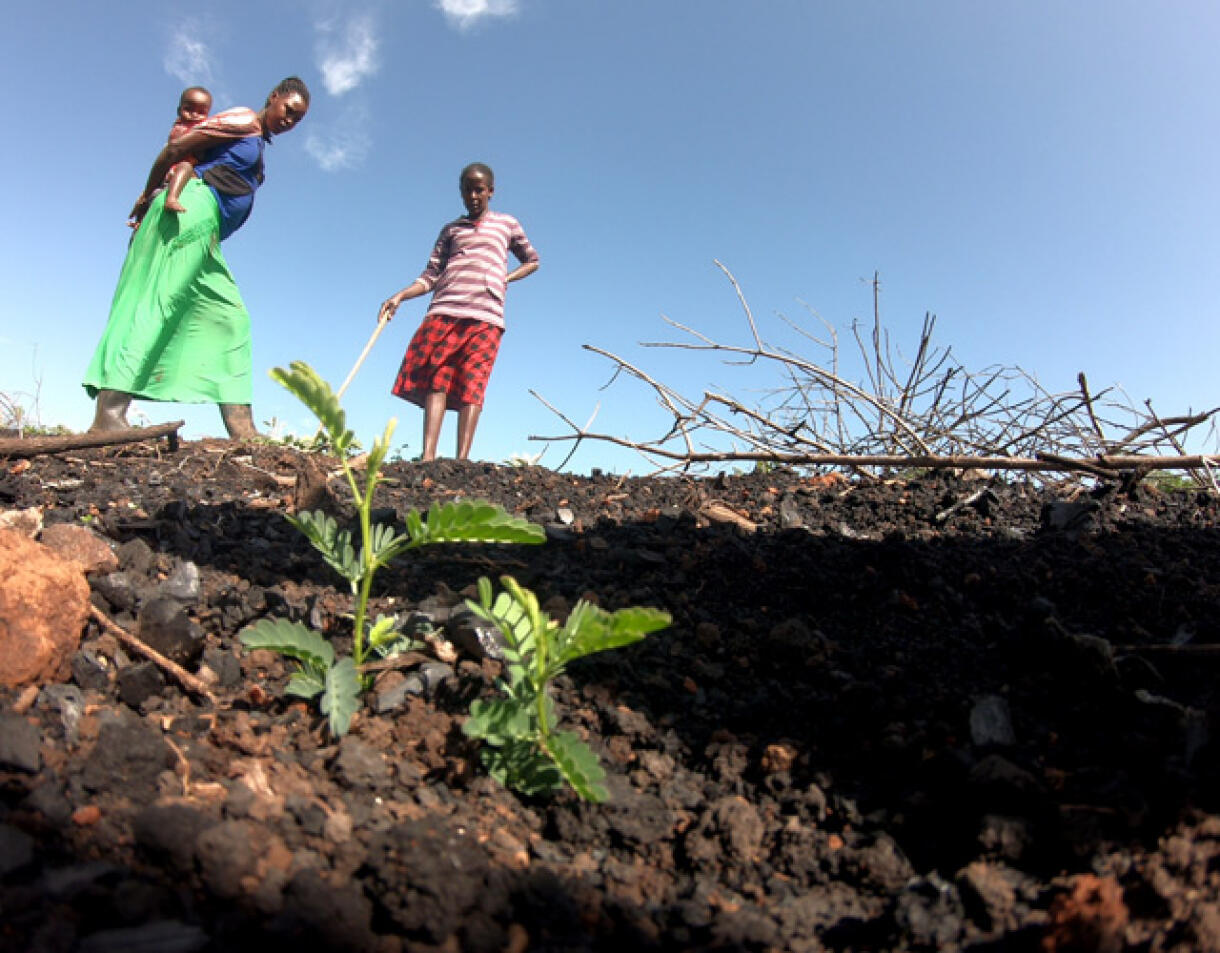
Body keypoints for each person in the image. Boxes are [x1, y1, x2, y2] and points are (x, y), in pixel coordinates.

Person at [84, 77, 310, 438]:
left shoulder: (255, 139)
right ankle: (109, 415)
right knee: (160, 303)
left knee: (231, 319)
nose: (290, 121)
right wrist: (146, 196)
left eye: (297, 119)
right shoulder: (242, 121)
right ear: (273, 97)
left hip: (206, 235)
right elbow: (175, 150)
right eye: (289, 110)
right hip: (188, 211)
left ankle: (243, 430)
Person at [379, 162, 539, 461]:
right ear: (461, 193)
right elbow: (430, 275)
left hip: (486, 314)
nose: (473, 195)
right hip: (445, 309)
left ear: (491, 191)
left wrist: (505, 278)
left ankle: (461, 461)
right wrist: (400, 295)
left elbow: (532, 260)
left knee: (473, 382)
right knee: (437, 379)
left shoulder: (506, 224)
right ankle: (428, 457)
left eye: (479, 189)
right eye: (467, 189)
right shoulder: (451, 230)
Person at [163, 86, 212, 215]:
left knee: (185, 167)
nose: (194, 115)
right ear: (179, 110)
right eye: (188, 109)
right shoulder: (179, 127)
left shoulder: (204, 128)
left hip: (184, 171)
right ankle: (171, 199)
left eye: (201, 112)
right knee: (185, 166)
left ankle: (171, 197)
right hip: (173, 168)